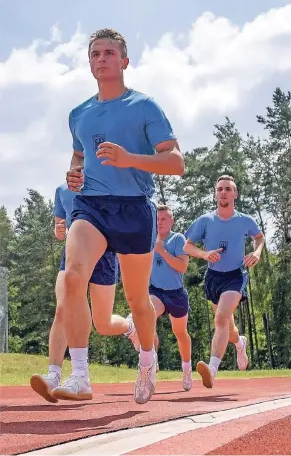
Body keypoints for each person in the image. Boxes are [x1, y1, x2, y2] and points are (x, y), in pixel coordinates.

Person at [51, 28, 184, 405]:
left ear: (124, 61)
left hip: (133, 207)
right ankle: (79, 376)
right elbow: (79, 155)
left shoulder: (144, 106)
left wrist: (130, 159)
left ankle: (147, 360)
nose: (102, 58)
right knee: (74, 277)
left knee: (139, 300)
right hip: (90, 205)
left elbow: (176, 162)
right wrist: (74, 173)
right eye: (95, 53)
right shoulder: (79, 114)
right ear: (90, 62)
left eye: (110, 52)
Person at [30, 183, 139, 403]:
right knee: (63, 307)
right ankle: (54, 375)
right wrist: (59, 231)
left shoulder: (103, 181)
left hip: (103, 252)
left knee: (104, 322)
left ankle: (130, 327)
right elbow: (59, 228)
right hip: (72, 252)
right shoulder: (61, 190)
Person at [184, 175, 265, 389]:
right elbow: (187, 245)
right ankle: (240, 343)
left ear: (235, 193)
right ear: (215, 193)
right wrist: (204, 254)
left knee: (220, 319)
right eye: (220, 188)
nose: (223, 192)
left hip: (235, 276)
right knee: (228, 328)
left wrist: (256, 252)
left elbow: (259, 237)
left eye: (228, 188)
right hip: (213, 278)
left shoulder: (245, 220)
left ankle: (211, 370)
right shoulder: (205, 221)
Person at [150, 205, 192, 390]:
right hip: (155, 291)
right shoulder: (149, 239)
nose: (159, 222)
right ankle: (151, 359)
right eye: (157, 219)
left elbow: (182, 267)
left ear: (171, 221)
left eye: (164, 219)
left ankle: (186, 369)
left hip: (176, 293)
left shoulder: (178, 239)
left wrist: (162, 251)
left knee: (180, 333)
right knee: (147, 315)